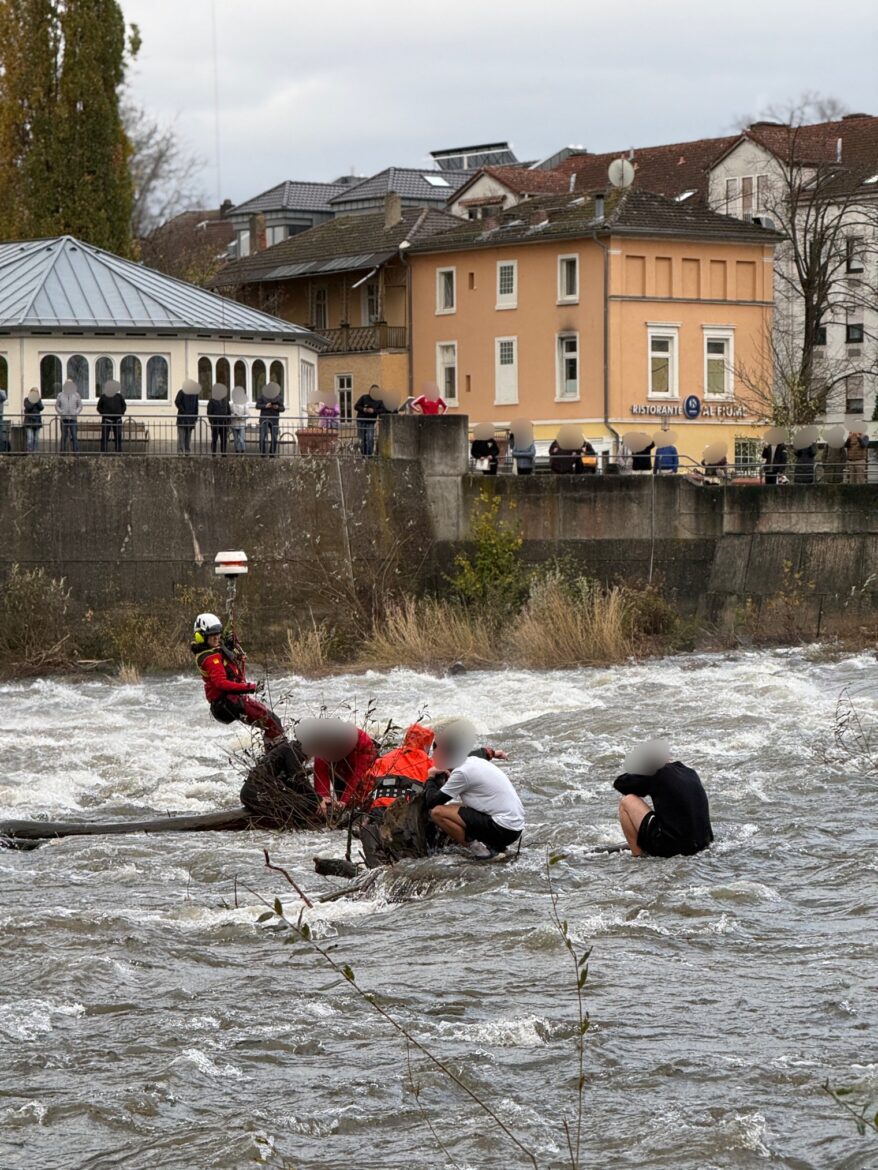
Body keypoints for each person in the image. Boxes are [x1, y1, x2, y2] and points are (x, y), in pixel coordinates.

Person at [425, 722, 524, 858]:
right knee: (454, 807)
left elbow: (431, 802)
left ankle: (481, 852)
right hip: (514, 827)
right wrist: (494, 753)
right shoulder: (472, 760)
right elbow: (482, 753)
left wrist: (430, 778)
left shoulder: (461, 773)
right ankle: (496, 846)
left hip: (503, 829)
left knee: (438, 812)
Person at [190, 613, 286, 749]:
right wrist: (251, 687)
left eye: (218, 634)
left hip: (231, 701)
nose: (217, 638)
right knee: (273, 722)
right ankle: (279, 756)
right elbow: (221, 684)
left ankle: (274, 754)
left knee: (272, 722)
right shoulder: (210, 658)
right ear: (201, 637)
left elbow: (230, 665)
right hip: (228, 703)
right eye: (213, 636)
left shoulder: (214, 649)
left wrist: (230, 647)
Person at [614, 739, 713, 858]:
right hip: (703, 845)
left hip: (674, 848)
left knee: (627, 801)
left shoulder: (655, 772)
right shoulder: (689, 772)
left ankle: (637, 856)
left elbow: (620, 784)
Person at [297, 719, 377, 810]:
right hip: (339, 766)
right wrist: (322, 798)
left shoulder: (364, 745)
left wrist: (344, 800)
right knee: (336, 799)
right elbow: (320, 769)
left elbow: (356, 776)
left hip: (360, 761)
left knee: (360, 796)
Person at [363, 723, 434, 812]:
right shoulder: (429, 763)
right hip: (410, 809)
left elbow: (366, 782)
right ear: (427, 745)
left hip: (380, 807)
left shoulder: (386, 757)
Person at [97, 378, 126, 453]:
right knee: (105, 437)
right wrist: (104, 413)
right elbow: (98, 407)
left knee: (118, 437)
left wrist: (121, 413)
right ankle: (103, 452)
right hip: (107, 420)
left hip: (117, 420)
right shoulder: (104, 396)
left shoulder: (119, 396)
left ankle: (118, 451)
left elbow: (124, 406)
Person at [354, 384, 384, 455]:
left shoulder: (379, 401)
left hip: (370, 422)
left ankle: (369, 455)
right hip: (361, 421)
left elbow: (382, 410)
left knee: (370, 438)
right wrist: (365, 409)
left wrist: (374, 411)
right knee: (361, 439)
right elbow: (356, 406)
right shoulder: (364, 397)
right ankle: (362, 454)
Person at [256, 381, 284, 456]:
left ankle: (272, 453)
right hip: (264, 418)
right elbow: (257, 405)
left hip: (274, 419)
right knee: (262, 437)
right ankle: (263, 453)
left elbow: (282, 408)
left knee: (274, 438)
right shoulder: (263, 396)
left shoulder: (279, 397)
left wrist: (277, 407)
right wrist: (265, 406)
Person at [56, 379, 82, 453]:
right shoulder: (60, 395)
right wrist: (61, 412)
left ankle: (76, 452)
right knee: (63, 436)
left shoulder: (76, 395)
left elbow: (80, 406)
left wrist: (76, 412)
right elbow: (57, 406)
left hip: (73, 418)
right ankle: (62, 451)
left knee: (74, 435)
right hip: (63, 419)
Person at [174, 379, 200, 454]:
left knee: (188, 437)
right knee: (182, 437)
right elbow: (177, 401)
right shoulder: (182, 392)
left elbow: (196, 406)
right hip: (182, 418)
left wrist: (195, 417)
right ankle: (181, 452)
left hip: (190, 419)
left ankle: (187, 452)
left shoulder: (195, 394)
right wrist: (183, 410)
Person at [207, 382, 231, 456]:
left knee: (224, 439)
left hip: (224, 422)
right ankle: (213, 452)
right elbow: (209, 412)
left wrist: (228, 422)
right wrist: (212, 422)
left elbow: (229, 412)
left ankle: (223, 453)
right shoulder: (212, 400)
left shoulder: (225, 401)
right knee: (215, 438)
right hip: (215, 422)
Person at [23, 387, 44, 452]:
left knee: (36, 439)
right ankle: (29, 451)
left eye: (36, 392)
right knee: (30, 438)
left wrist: (37, 400)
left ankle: (35, 452)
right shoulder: (26, 399)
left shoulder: (39, 400)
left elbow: (41, 407)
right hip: (29, 421)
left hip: (37, 421)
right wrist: (33, 401)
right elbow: (28, 407)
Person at [230, 385, 248, 453]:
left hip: (242, 424)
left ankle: (243, 450)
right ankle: (237, 451)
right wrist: (233, 415)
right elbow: (229, 414)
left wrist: (242, 416)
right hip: (234, 424)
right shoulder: (231, 404)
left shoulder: (244, 404)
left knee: (241, 439)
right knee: (236, 439)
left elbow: (248, 414)